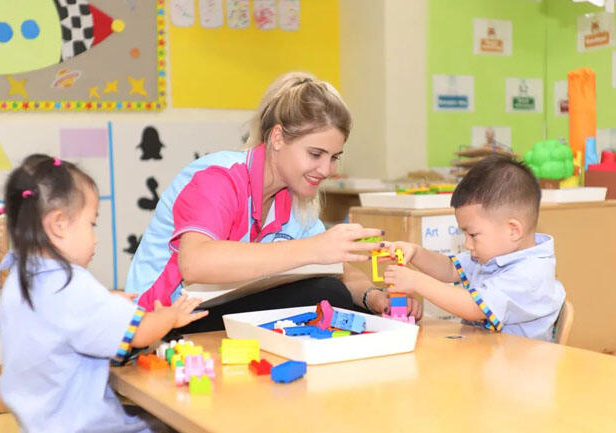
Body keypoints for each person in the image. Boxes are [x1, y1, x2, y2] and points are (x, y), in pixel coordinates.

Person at [125, 71, 416, 331]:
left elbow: (336, 268)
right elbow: (194, 263)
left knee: (336, 297)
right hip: (158, 321)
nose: (327, 170)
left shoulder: (292, 200)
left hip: (207, 310)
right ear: (277, 138)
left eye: (334, 157)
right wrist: (313, 249)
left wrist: (373, 298)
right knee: (327, 294)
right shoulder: (218, 177)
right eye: (315, 154)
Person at [0, 154, 207, 433]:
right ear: (59, 224)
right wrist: (168, 316)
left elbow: (63, 319)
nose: (95, 238)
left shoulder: (18, 279)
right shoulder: (71, 286)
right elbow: (141, 332)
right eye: (91, 223)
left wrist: (106, 301)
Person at [382, 155, 565, 341]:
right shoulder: (493, 256)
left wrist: (417, 282)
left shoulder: (531, 274)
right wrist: (416, 253)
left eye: (473, 235)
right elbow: (449, 268)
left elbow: (473, 307)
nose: (467, 244)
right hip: (487, 351)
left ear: (513, 230)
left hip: (519, 359)